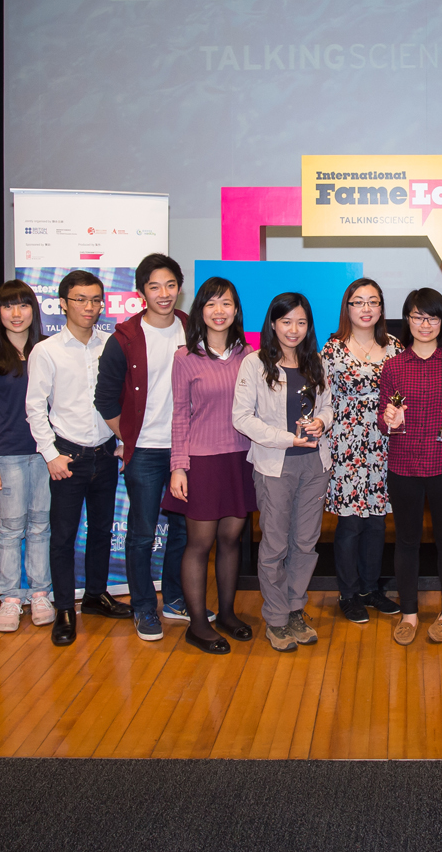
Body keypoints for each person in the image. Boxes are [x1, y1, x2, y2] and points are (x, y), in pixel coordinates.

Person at [26, 270, 129, 646]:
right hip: (66, 458)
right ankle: (65, 609)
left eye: (96, 299)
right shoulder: (46, 351)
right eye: (81, 299)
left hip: (105, 454)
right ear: (63, 303)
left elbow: (123, 400)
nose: (90, 307)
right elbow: (35, 408)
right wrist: (51, 454)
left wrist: (122, 441)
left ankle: (97, 596)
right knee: (64, 536)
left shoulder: (111, 345)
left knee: (102, 530)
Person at [94, 254, 192, 643]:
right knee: (142, 532)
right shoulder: (125, 339)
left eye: (170, 285)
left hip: (186, 449)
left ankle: (173, 599)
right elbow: (105, 400)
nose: (164, 294)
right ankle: (142, 607)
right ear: (141, 293)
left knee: (183, 531)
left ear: (179, 288)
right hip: (147, 451)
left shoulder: (192, 328)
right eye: (154, 286)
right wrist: (130, 439)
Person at [232, 292, 333, 653]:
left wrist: (321, 421)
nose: (294, 330)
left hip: (314, 464)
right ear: (272, 324)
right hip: (275, 464)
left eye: (301, 322)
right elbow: (242, 418)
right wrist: (286, 438)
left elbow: (328, 405)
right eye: (286, 321)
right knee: (274, 544)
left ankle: (294, 609)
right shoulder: (254, 364)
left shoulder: (315, 361)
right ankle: (275, 617)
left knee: (305, 543)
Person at [165, 277, 256, 653]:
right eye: (211, 304)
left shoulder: (249, 355)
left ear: (236, 311)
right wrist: (178, 466)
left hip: (241, 458)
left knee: (231, 539)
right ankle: (199, 623)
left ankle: (229, 614)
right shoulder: (185, 357)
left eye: (227, 304)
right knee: (199, 543)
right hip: (201, 460)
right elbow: (179, 416)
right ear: (200, 310)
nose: (219, 311)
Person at [378, 289, 442, 645]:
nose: (424, 324)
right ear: (407, 321)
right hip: (403, 465)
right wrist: (388, 418)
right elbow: (384, 418)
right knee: (406, 542)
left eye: (432, 317)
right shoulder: (393, 366)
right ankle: (409, 614)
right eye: (417, 317)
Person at [0, 281, 53, 633]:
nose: (17, 313)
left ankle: (39, 591)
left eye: (23, 305)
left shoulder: (48, 349)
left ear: (34, 310)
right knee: (10, 527)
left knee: (40, 525)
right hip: (7, 454)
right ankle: (9, 596)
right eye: (9, 307)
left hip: (45, 453)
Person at [321, 277, 401, 624]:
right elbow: (321, 398)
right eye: (358, 301)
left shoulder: (397, 347)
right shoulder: (332, 348)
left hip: (385, 444)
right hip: (345, 443)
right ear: (347, 307)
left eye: (373, 301)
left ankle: (371, 589)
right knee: (351, 522)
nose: (366, 308)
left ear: (382, 308)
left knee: (377, 523)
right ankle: (348, 593)